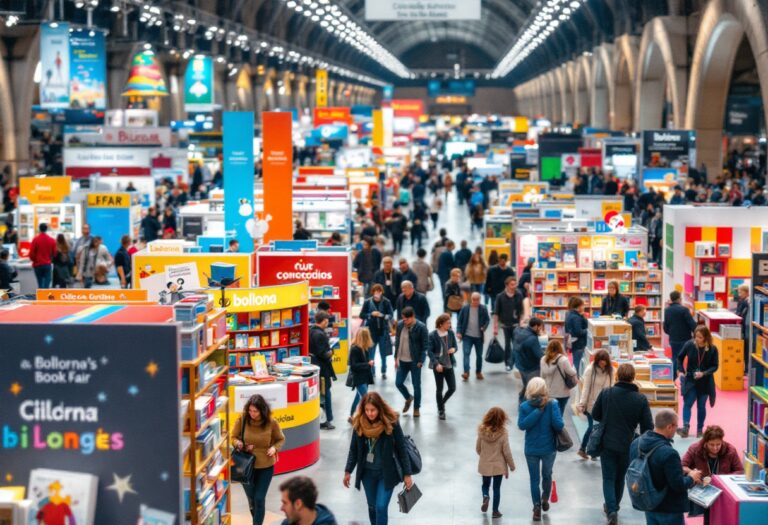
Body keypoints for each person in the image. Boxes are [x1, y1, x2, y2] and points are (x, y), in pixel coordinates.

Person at [592, 363, 653, 525]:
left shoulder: (607, 393)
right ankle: (614, 506)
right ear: (633, 377)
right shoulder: (640, 399)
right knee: (620, 478)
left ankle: (611, 509)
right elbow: (648, 426)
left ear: (617, 376)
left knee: (608, 477)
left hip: (607, 442)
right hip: (628, 444)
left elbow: (595, 414)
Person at [343, 392, 413, 525]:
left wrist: (407, 473)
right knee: (372, 507)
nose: (370, 413)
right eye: (367, 410)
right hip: (367, 474)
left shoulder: (391, 422)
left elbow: (402, 448)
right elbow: (354, 450)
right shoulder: (359, 423)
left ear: (379, 408)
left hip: (386, 473)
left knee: (381, 507)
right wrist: (348, 471)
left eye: (373, 410)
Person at [630, 410, 703, 525]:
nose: (676, 430)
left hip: (648, 503)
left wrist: (676, 469)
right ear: (669, 426)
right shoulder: (669, 453)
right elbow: (678, 485)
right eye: (676, 426)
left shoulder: (637, 443)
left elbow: (647, 467)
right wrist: (692, 477)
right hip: (669, 508)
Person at [232, 394, 286, 525]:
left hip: (265, 466)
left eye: (255, 411)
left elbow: (281, 439)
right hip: (245, 468)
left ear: (262, 410)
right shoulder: (243, 419)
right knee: (252, 499)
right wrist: (239, 444)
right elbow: (233, 437)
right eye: (250, 410)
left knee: (259, 498)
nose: (252, 413)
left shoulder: (271, 423)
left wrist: (274, 448)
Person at [517, 377, 563, 522]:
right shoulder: (552, 403)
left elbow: (522, 425)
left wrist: (537, 412)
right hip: (549, 448)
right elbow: (559, 425)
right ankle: (545, 498)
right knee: (547, 474)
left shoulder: (524, 406)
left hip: (531, 449)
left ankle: (536, 507)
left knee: (534, 479)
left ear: (529, 389)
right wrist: (543, 412)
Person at [682, 425, 743, 523]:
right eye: (711, 444)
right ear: (705, 442)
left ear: (722, 441)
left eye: (718, 444)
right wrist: (692, 473)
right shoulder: (695, 449)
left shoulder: (730, 450)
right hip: (702, 489)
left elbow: (739, 471)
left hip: (723, 491)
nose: (715, 448)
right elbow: (682, 466)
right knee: (707, 517)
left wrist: (722, 480)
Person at [677, 325, 719, 438]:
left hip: (705, 382)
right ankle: (685, 427)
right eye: (696, 336)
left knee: (701, 406)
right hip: (690, 380)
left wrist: (704, 373)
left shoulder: (712, 349)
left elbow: (715, 366)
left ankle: (700, 430)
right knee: (687, 403)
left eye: (700, 337)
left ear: (706, 338)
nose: (696, 339)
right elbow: (680, 357)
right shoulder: (689, 345)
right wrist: (681, 371)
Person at [476, 407, 516, 519]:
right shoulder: (503, 433)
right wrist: (511, 466)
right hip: (499, 466)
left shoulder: (481, 430)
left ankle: (485, 496)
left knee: (485, 485)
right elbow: (506, 452)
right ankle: (495, 511)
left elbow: (478, 448)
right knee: (497, 488)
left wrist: (484, 457)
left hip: (485, 464)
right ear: (502, 419)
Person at [576, 349, 613, 460]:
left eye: (605, 361)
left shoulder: (611, 370)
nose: (603, 363)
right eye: (601, 361)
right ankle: (584, 449)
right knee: (593, 427)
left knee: (600, 428)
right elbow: (585, 388)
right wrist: (582, 403)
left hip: (605, 405)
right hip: (591, 404)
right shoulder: (590, 370)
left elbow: (611, 387)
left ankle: (593, 451)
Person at [394, 306, 428, 418]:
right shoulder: (400, 325)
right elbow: (398, 341)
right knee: (398, 383)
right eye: (403, 319)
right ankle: (408, 398)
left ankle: (416, 408)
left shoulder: (421, 327)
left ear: (412, 317)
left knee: (416, 385)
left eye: (406, 319)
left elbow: (425, 346)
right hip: (402, 361)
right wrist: (396, 358)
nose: (404, 321)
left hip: (415, 361)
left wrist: (421, 360)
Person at [359, 284, 394, 379]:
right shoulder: (367, 302)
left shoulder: (386, 302)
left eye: (379, 291)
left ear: (381, 292)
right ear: (373, 292)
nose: (377, 293)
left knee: (384, 353)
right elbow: (361, 315)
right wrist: (370, 314)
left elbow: (390, 315)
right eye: (375, 291)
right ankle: (372, 371)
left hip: (383, 331)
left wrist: (382, 315)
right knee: (371, 353)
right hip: (371, 332)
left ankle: (383, 371)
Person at [427, 313, 458, 420]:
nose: (450, 325)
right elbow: (429, 352)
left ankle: (441, 403)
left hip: (449, 364)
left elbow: (455, 346)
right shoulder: (432, 335)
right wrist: (436, 364)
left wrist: (454, 349)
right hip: (438, 365)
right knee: (439, 389)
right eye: (448, 323)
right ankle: (441, 410)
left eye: (450, 323)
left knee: (452, 388)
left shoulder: (450, 333)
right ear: (441, 324)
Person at [310, 312, 337, 430]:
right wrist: (331, 352)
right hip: (323, 370)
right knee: (326, 395)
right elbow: (324, 354)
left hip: (314, 368)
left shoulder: (310, 331)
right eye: (327, 321)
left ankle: (321, 418)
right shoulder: (320, 335)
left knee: (320, 395)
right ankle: (327, 420)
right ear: (324, 321)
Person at [664, 290, 698, 378]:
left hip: (673, 338)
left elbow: (665, 325)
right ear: (679, 299)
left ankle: (673, 376)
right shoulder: (684, 310)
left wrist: (670, 333)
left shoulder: (667, 310)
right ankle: (689, 376)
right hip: (685, 338)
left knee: (675, 356)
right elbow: (692, 324)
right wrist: (696, 333)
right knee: (690, 357)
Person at [493, 276, 524, 372]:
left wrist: (522, 321)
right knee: (507, 344)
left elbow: (521, 310)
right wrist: (495, 327)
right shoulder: (500, 297)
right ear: (506, 285)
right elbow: (496, 313)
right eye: (512, 284)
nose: (514, 286)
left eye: (515, 284)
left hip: (516, 325)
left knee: (516, 344)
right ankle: (507, 363)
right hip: (505, 325)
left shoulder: (519, 295)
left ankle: (513, 362)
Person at [457, 292, 490, 381]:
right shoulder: (465, 308)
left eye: (477, 300)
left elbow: (487, 320)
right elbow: (459, 321)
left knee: (479, 355)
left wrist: (484, 327)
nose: (475, 301)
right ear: (471, 299)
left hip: (479, 337)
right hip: (467, 336)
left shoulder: (483, 308)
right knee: (466, 354)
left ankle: (478, 372)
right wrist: (459, 332)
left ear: (480, 299)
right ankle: (466, 372)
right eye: (473, 299)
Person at [539, 340, 577, 416]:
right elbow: (572, 373)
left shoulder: (543, 359)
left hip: (549, 393)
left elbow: (542, 377)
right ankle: (557, 427)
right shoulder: (563, 360)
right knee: (559, 414)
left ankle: (551, 427)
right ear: (560, 348)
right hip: (562, 393)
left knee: (550, 414)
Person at [514, 318, 545, 404]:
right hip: (531, 368)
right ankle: (526, 405)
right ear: (535, 326)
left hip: (521, 365)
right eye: (540, 327)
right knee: (533, 389)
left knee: (526, 385)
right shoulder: (532, 339)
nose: (541, 330)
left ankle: (521, 400)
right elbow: (540, 356)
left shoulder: (520, 332)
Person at [348, 328, 375, 422]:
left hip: (364, 377)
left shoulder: (364, 348)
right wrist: (368, 364)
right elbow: (354, 366)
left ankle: (351, 416)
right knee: (366, 399)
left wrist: (368, 363)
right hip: (359, 378)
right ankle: (365, 419)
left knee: (358, 398)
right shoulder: (355, 349)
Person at [565, 296, 588, 378]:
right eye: (582, 305)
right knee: (578, 365)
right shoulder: (576, 317)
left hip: (573, 343)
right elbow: (579, 332)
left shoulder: (570, 314)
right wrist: (588, 331)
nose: (584, 307)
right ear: (578, 306)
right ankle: (577, 382)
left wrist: (582, 316)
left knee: (575, 363)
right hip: (579, 344)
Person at [29, 223, 56, 289]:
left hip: (37, 264)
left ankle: (40, 295)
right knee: (47, 283)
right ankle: (45, 296)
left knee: (40, 283)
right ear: (46, 229)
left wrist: (35, 260)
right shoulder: (52, 240)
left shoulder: (35, 239)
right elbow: (54, 253)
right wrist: (50, 259)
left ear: (39, 229)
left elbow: (31, 253)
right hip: (47, 264)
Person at [734, 284, 750, 373]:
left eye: (741, 292)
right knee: (745, 349)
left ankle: (746, 368)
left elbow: (739, 314)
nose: (739, 294)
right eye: (738, 292)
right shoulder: (743, 301)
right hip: (743, 328)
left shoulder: (744, 302)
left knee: (746, 349)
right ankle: (745, 368)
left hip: (743, 329)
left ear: (747, 292)